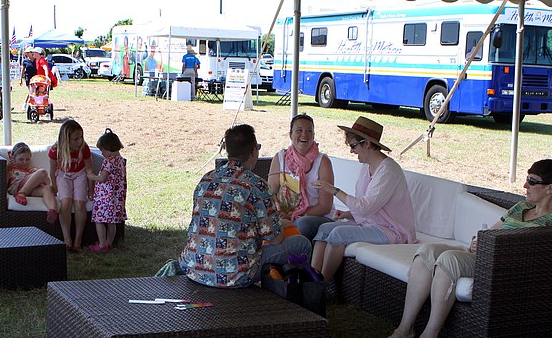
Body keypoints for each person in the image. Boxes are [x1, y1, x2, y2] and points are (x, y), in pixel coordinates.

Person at [379, 159, 552, 338]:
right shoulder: (520, 208)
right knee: (426, 252)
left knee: (449, 260)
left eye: (532, 181)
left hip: (505, 266)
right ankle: (405, 329)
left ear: (550, 188)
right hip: (486, 257)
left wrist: (492, 246)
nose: (525, 185)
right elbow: (490, 233)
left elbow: (542, 255)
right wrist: (478, 242)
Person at [178, 124, 312, 288]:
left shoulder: (207, 179)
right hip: (236, 275)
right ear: (253, 151)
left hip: (194, 268)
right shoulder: (257, 185)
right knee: (301, 244)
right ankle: (285, 300)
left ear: (229, 151)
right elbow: (274, 238)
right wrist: (281, 224)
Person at [309, 116, 416, 284]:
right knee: (324, 229)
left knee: (338, 234)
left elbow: (365, 207)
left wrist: (333, 190)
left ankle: (320, 286)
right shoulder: (367, 167)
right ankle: (311, 280)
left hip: (392, 231)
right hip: (371, 224)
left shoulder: (388, 171)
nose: (351, 151)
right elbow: (368, 205)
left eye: (353, 145)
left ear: (367, 144)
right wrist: (348, 214)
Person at [268, 113, 335, 240]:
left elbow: (325, 206)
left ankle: (299, 256)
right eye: (299, 130)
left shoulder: (323, 162)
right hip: (285, 214)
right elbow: (270, 193)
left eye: (309, 131)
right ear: (290, 135)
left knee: (302, 224)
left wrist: (294, 215)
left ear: (314, 136)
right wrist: (278, 211)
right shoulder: (280, 157)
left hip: (315, 216)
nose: (304, 135)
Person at [48, 120, 94, 253]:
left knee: (80, 203)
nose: (80, 141)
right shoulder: (55, 150)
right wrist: (54, 185)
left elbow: (89, 169)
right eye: (76, 139)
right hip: (63, 174)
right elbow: (52, 171)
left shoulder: (84, 148)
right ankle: (67, 238)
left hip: (80, 174)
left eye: (81, 137)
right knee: (66, 202)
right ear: (66, 140)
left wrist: (91, 190)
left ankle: (78, 239)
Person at [87, 128, 127, 253]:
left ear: (108, 149)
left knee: (99, 220)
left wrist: (91, 176)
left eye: (102, 150)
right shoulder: (121, 161)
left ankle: (102, 244)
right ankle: (109, 243)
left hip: (105, 197)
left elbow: (103, 178)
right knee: (112, 222)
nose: (102, 153)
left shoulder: (109, 161)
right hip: (117, 197)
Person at [6, 142, 59, 223]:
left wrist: (42, 180)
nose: (24, 162)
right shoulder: (11, 169)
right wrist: (7, 169)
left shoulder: (32, 170)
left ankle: (52, 210)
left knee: (47, 188)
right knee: (43, 172)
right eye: (21, 159)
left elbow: (48, 182)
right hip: (16, 187)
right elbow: (4, 184)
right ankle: (21, 192)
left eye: (27, 159)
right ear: (13, 158)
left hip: (31, 190)